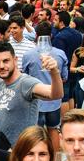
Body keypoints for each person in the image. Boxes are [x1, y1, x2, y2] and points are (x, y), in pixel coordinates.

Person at [0, 41, 63, 145]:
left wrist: (54, 71)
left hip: (24, 150)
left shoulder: (25, 82)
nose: (1, 66)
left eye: (6, 61)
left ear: (15, 60)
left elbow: (55, 94)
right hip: (3, 152)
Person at [22, 22, 69, 151]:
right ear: (51, 36)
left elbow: (24, 78)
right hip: (53, 102)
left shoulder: (28, 55)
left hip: (37, 101)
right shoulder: (60, 54)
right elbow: (65, 77)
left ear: (36, 35)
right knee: (53, 129)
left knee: (36, 134)